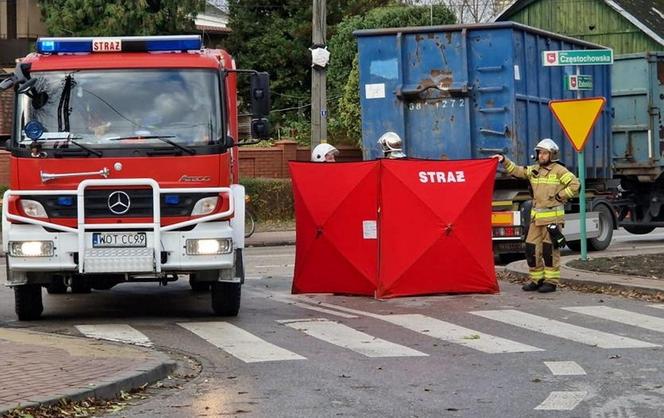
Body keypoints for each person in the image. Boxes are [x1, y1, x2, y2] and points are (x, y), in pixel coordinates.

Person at [492, 138, 580, 293]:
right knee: (531, 249)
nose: (541, 156)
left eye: (545, 153)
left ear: (552, 155)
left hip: (552, 219)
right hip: (536, 220)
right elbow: (517, 171)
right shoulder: (534, 170)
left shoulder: (559, 170)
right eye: (540, 153)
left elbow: (575, 185)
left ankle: (551, 282)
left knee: (549, 251)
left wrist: (560, 196)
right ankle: (536, 279)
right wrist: (504, 160)